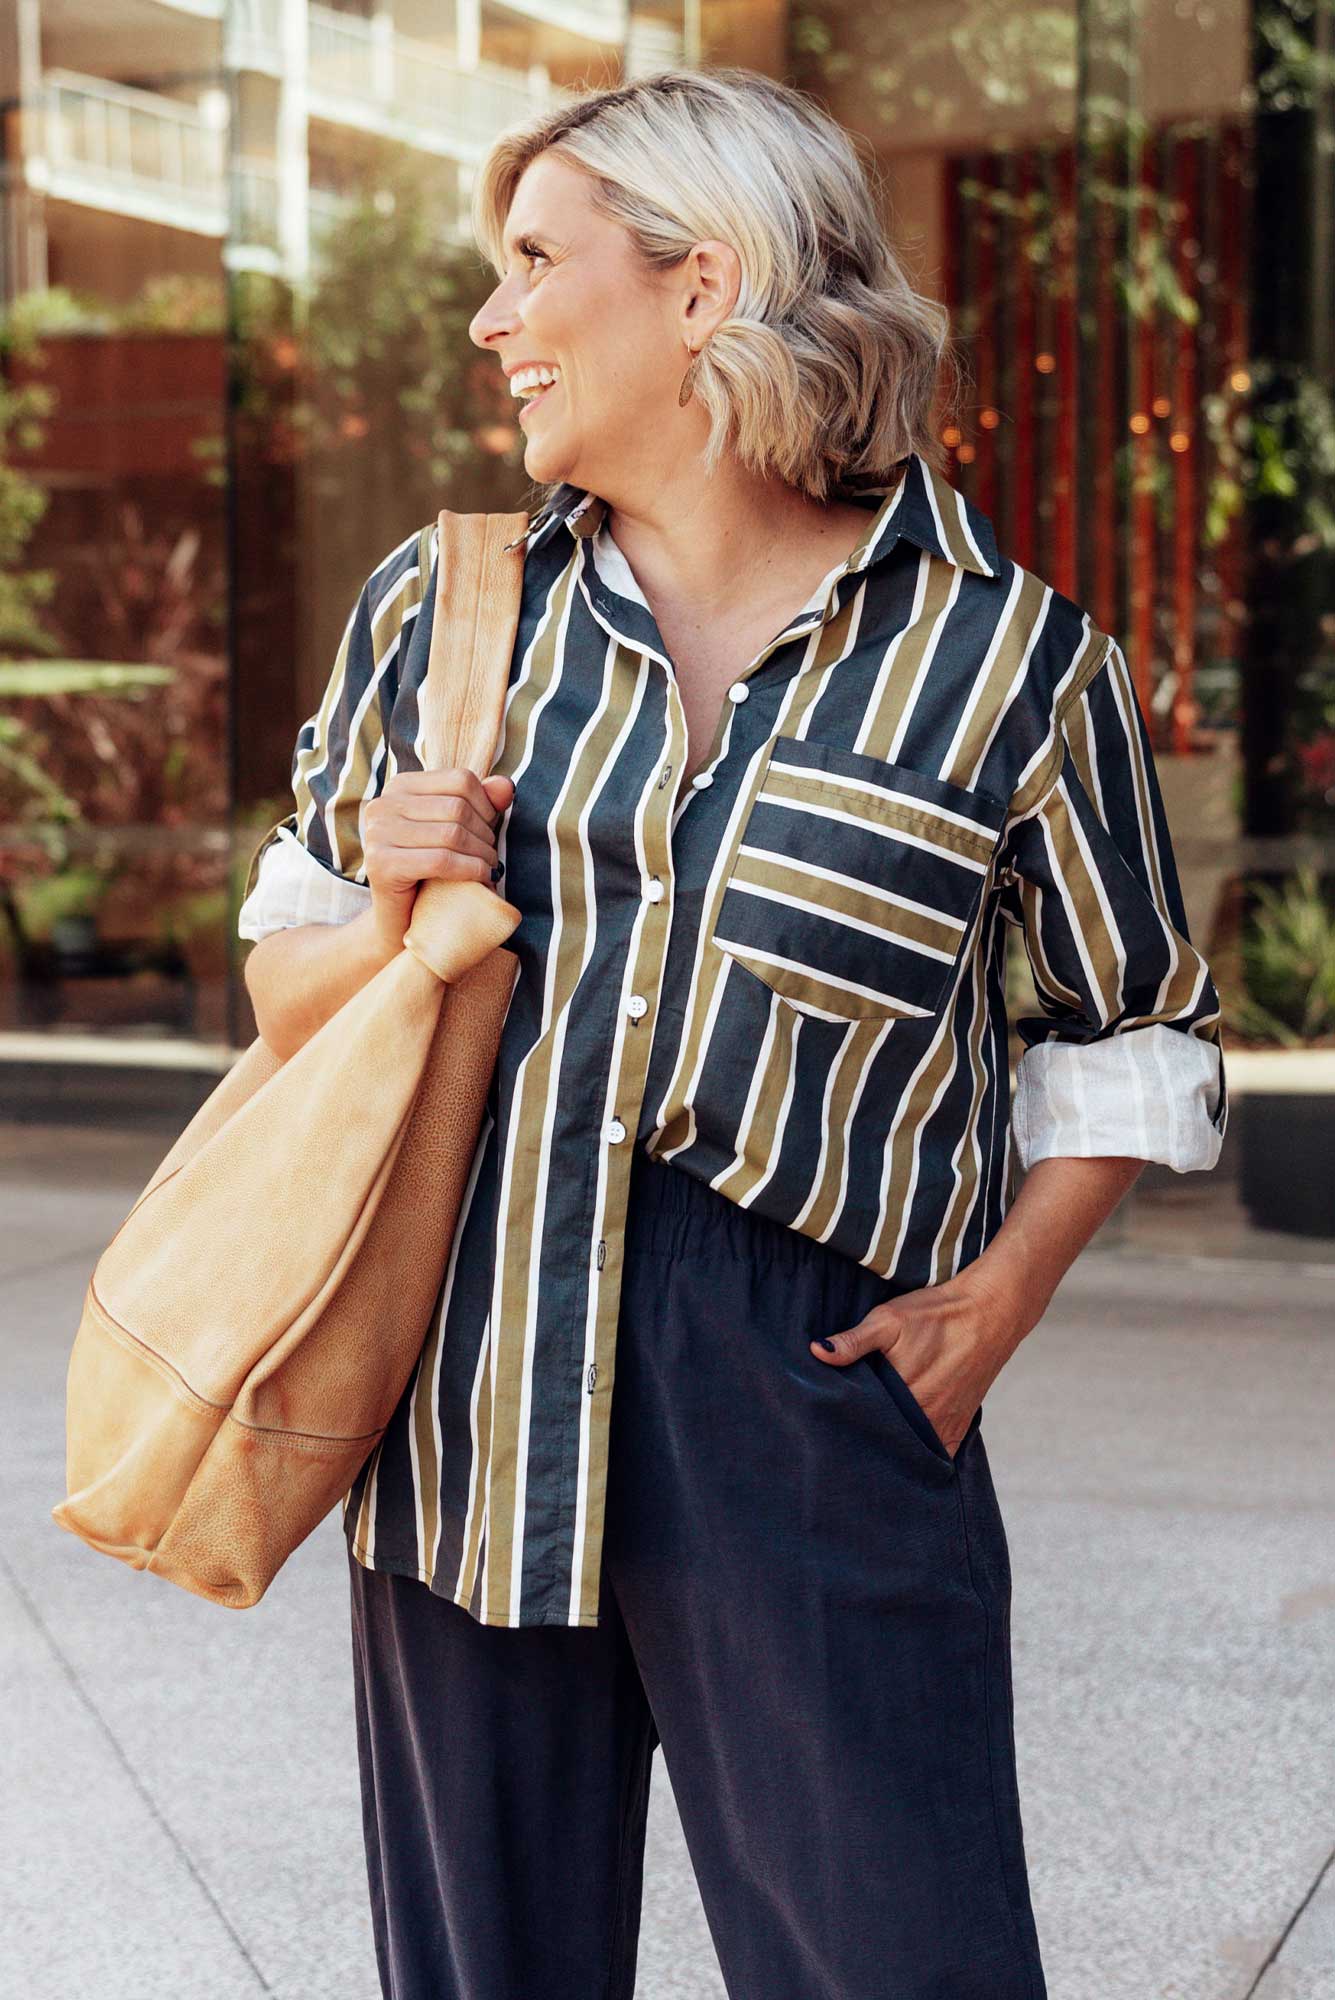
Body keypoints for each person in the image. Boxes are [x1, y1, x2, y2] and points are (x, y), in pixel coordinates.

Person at [237, 65, 1227, 2000]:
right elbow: (286, 1003)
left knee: (899, 1960)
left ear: (704, 289)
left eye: (535, 264)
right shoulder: (452, 617)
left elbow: (1132, 1030)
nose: (490, 317)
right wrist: (384, 903)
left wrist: (997, 1301)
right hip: (477, 1354)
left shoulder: (1011, 665)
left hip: (811, 1379)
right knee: (484, 1966)